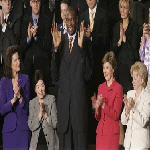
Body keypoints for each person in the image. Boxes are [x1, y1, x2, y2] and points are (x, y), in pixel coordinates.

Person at [51, 7, 93, 150]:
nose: (69, 23)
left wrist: (82, 50)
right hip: (64, 113)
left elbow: (88, 75)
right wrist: (56, 51)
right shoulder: (59, 41)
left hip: (79, 112)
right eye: (66, 19)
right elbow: (54, 76)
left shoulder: (85, 42)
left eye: (72, 19)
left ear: (77, 20)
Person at [0, 45, 30, 150]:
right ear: (10, 63)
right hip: (9, 131)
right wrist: (13, 100)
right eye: (15, 60)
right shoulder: (3, 81)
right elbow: (2, 109)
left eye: (19, 59)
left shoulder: (25, 79)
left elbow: (27, 109)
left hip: (23, 130)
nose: (19, 62)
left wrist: (20, 97)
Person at [21, 0, 52, 97]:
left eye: (38, 2)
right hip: (27, 67)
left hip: (42, 66)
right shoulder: (24, 20)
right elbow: (21, 47)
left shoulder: (47, 20)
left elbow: (48, 46)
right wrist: (29, 38)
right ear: (30, 3)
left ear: (41, 3)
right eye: (33, 2)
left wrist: (36, 37)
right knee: (28, 97)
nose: (36, 4)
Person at [91, 51, 123, 150]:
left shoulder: (118, 88)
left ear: (113, 69)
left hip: (111, 134)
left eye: (107, 68)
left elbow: (116, 115)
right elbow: (98, 117)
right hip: (101, 133)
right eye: (103, 68)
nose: (104, 71)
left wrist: (103, 105)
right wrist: (96, 108)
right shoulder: (101, 87)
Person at [112, 0, 140, 94]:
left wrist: (125, 39)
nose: (122, 10)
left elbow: (135, 54)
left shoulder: (135, 27)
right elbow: (112, 51)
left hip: (129, 71)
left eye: (125, 8)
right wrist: (119, 41)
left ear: (130, 10)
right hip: (118, 70)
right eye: (121, 7)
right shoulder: (116, 26)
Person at [121, 61, 150, 150]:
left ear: (142, 80)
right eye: (132, 78)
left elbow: (144, 122)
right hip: (129, 145)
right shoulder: (130, 94)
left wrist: (133, 107)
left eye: (135, 78)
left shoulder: (148, 97)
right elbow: (123, 121)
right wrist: (126, 109)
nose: (132, 81)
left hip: (141, 145)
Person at [28, 70, 58, 150]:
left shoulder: (51, 99)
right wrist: (39, 115)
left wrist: (45, 115)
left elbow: (55, 123)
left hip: (50, 145)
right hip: (36, 145)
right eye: (38, 87)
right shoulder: (32, 103)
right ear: (35, 89)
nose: (41, 89)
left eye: (42, 85)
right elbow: (31, 126)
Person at [139, 6, 150, 75]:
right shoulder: (147, 31)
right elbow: (141, 57)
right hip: (146, 75)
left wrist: (148, 38)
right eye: (149, 12)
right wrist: (143, 38)